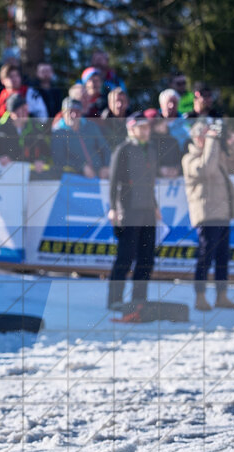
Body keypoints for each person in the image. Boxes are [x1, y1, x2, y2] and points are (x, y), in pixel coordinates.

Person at [183, 121, 234, 311]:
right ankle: (200, 296)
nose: (207, 138)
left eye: (207, 134)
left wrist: (233, 144)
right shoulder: (189, 159)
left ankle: (221, 296)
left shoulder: (215, 155)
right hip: (206, 215)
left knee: (223, 258)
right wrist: (210, 140)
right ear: (194, 138)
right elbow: (206, 169)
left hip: (223, 214)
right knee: (205, 257)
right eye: (203, 134)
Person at [106, 112, 161, 310]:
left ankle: (139, 299)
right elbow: (114, 183)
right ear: (131, 128)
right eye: (142, 127)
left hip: (147, 210)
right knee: (125, 256)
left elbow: (150, 183)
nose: (146, 131)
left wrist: (155, 205)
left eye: (148, 127)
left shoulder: (152, 150)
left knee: (146, 258)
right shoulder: (123, 150)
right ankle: (115, 300)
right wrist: (114, 208)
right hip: (128, 209)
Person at [0, 93, 52, 176]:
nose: (24, 113)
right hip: (5, 175)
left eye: (25, 109)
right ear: (11, 112)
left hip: (31, 176)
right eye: (19, 110)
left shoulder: (36, 128)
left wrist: (41, 160)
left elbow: (46, 152)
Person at [51, 97, 110, 178]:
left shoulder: (91, 126)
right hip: (77, 177)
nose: (74, 115)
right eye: (70, 111)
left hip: (100, 174)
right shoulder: (58, 133)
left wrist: (106, 166)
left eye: (77, 112)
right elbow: (59, 160)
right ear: (63, 112)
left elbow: (105, 148)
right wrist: (82, 167)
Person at [0, 63, 48, 129]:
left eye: (16, 75)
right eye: (10, 76)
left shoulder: (31, 93)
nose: (14, 79)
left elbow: (43, 117)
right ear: (2, 81)